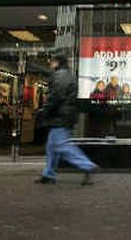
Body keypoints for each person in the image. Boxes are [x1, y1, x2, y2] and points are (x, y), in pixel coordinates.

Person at [35, 53, 98, 186]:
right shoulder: (67, 75)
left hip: (60, 116)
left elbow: (55, 96)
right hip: (64, 115)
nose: (50, 65)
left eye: (52, 62)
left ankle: (87, 165)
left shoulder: (60, 76)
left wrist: (45, 110)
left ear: (57, 63)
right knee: (51, 147)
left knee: (62, 145)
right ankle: (49, 174)